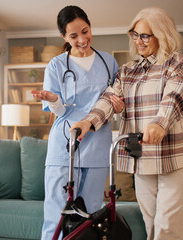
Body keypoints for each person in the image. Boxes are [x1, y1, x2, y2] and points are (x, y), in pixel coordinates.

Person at [70, 7, 183, 240]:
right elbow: (109, 99)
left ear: (162, 35)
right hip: (142, 154)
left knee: (168, 223)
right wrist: (88, 121)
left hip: (175, 153)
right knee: (151, 220)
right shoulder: (128, 70)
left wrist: (160, 123)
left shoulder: (174, 62)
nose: (138, 41)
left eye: (145, 35)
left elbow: (176, 94)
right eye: (135, 34)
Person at [31, 5, 123, 240]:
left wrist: (119, 106)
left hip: (98, 144)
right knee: (56, 214)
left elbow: (110, 103)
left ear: (90, 27)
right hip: (65, 144)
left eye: (85, 31)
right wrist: (53, 100)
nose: (82, 39)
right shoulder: (56, 65)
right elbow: (62, 110)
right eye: (73, 36)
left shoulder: (108, 62)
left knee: (91, 214)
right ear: (64, 36)